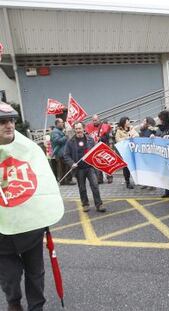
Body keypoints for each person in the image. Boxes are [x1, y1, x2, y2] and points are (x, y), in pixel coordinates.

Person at [0, 103, 64, 311]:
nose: (9, 125)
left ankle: (36, 307)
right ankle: (13, 302)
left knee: (35, 272)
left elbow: (43, 181)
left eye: (11, 120)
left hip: (31, 226)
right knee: (10, 275)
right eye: (2, 122)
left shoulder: (29, 150)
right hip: (2, 233)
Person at [64, 122, 105, 212]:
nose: (78, 130)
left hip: (90, 167)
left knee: (95, 186)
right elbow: (66, 155)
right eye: (76, 129)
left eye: (80, 128)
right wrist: (72, 163)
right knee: (82, 188)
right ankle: (85, 204)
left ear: (83, 129)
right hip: (79, 169)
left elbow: (95, 152)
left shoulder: (90, 140)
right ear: (74, 130)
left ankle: (99, 205)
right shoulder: (70, 142)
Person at [85, 114, 113, 184]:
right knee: (98, 163)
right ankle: (99, 179)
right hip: (95, 148)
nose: (94, 122)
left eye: (96, 120)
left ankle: (109, 177)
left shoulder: (104, 127)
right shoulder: (90, 127)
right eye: (93, 120)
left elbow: (107, 137)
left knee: (106, 163)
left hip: (103, 147)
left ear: (99, 120)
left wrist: (100, 139)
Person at [115, 117, 138, 189]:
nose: (129, 123)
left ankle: (137, 180)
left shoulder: (131, 128)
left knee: (134, 166)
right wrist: (126, 138)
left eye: (129, 121)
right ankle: (127, 182)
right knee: (126, 167)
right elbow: (117, 140)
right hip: (125, 152)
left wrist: (132, 136)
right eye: (127, 121)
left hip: (132, 150)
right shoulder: (119, 131)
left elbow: (137, 135)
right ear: (124, 123)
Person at [50, 118, 75, 185]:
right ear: (57, 124)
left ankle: (63, 180)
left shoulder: (58, 131)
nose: (63, 123)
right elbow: (57, 141)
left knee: (64, 167)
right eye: (61, 122)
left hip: (62, 152)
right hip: (60, 152)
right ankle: (67, 180)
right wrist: (66, 136)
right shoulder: (55, 132)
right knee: (66, 166)